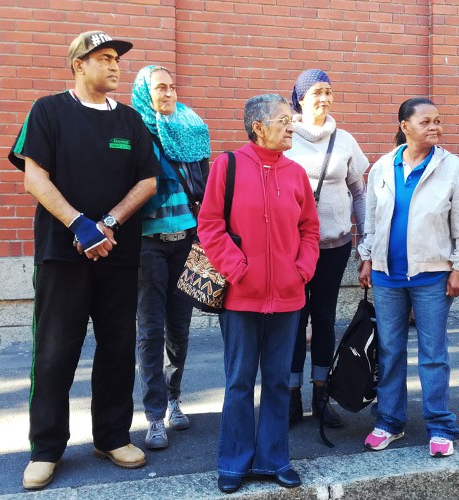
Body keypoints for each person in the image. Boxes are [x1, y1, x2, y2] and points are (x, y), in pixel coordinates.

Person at [7, 31, 160, 490]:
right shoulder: (48, 111)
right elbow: (35, 178)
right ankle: (46, 449)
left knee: (118, 348)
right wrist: (80, 224)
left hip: (117, 256)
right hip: (61, 256)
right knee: (55, 351)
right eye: (106, 58)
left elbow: (148, 182)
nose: (116, 67)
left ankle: (112, 436)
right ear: (78, 65)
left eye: (117, 60)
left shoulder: (132, 122)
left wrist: (108, 222)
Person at [197, 94, 320, 493]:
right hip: (239, 297)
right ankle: (234, 462)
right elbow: (210, 226)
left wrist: (300, 270)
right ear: (258, 127)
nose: (291, 126)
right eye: (284, 119)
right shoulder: (227, 166)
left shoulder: (296, 173)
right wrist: (237, 270)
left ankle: (274, 459)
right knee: (238, 382)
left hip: (288, 297)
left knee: (279, 381)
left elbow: (310, 230)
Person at [358, 97, 459, 458]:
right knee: (389, 350)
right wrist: (367, 259)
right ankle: (389, 422)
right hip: (386, 276)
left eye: (438, 121)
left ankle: (441, 426)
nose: (435, 127)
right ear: (405, 126)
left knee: (433, 353)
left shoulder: (452, 168)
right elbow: (371, 222)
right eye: (426, 121)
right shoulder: (382, 167)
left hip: (432, 277)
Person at [130, 65, 211, 449]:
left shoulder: (191, 127)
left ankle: (174, 396)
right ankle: (153, 415)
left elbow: (207, 185)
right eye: (159, 88)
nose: (168, 93)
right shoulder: (135, 129)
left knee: (179, 328)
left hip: (186, 241)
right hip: (148, 242)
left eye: (172, 86)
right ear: (146, 94)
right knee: (150, 330)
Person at [284, 69, 369, 428]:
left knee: (323, 319)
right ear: (300, 98)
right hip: (290, 250)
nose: (324, 98)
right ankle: (289, 396)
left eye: (329, 92)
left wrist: (365, 241)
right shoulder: (285, 135)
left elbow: (361, 194)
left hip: (333, 246)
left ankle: (321, 395)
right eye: (317, 92)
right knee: (291, 321)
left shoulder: (345, 140)